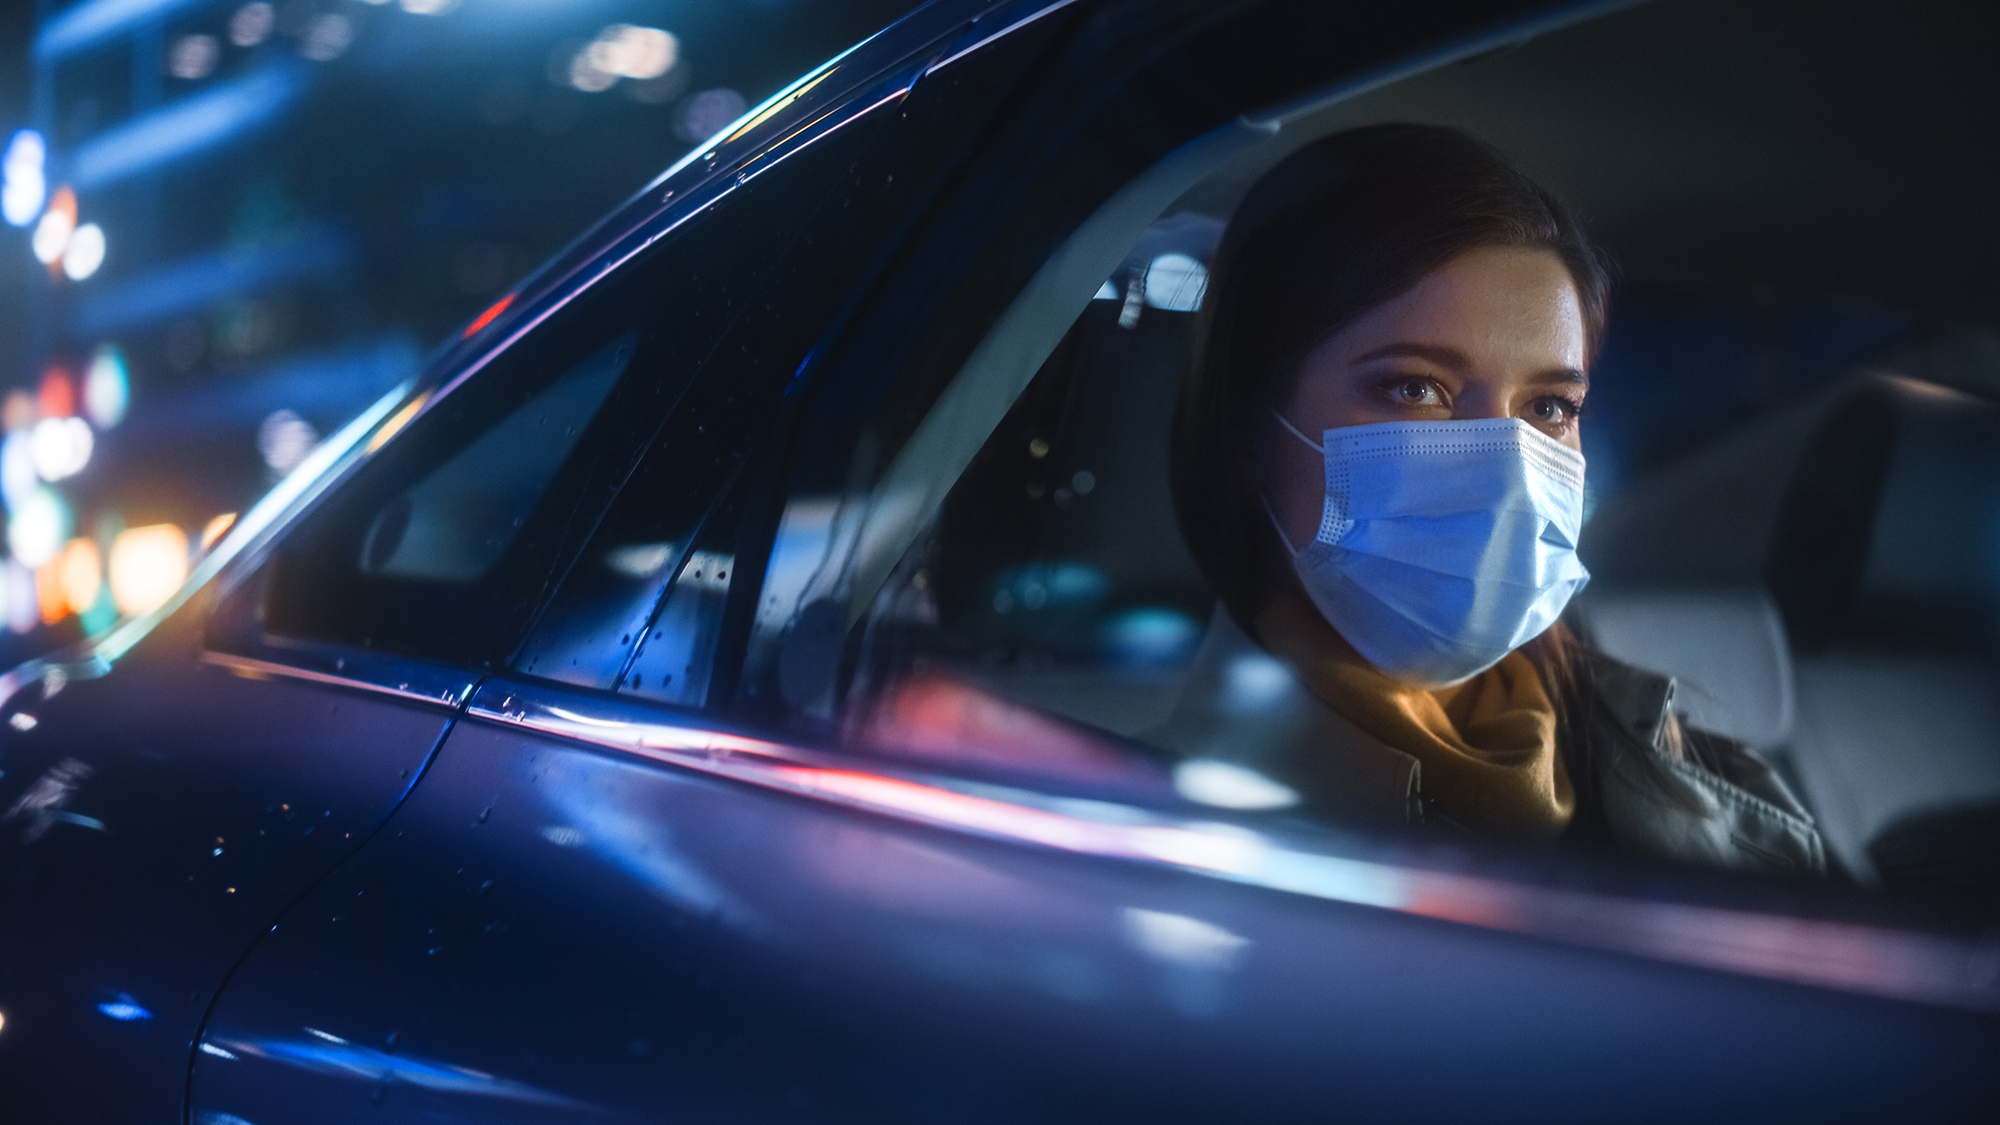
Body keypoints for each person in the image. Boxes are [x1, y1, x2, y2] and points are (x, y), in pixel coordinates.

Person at [1162, 124, 1822, 874]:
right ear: (1250, 425)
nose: (1507, 465)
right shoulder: (1173, 836)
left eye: (1548, 407)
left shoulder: (1706, 777)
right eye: (1415, 388)